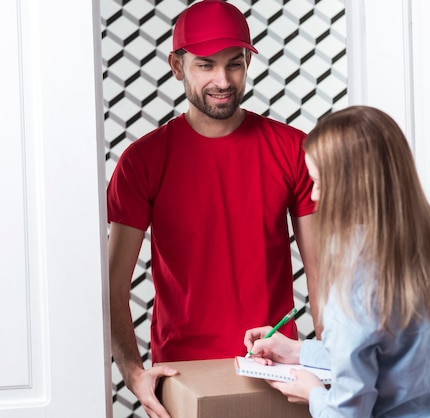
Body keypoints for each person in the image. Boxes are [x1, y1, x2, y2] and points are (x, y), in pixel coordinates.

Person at [107, 1, 318, 417]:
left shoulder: (294, 149)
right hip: (182, 374)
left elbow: (323, 277)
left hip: (273, 366)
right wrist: (133, 372)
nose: (222, 80)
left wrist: (335, 368)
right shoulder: (142, 161)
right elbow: (113, 286)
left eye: (234, 64)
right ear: (176, 65)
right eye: (205, 65)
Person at [244, 105, 430, 417]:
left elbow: (349, 412)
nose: (316, 196)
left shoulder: (354, 276)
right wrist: (298, 351)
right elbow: (403, 358)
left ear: (352, 185)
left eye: (319, 182)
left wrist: (314, 395)